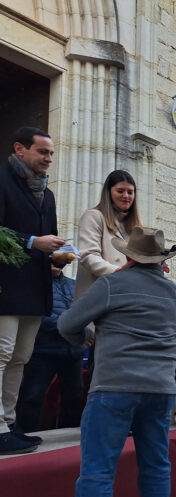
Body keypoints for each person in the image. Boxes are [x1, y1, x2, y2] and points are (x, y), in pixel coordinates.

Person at [56, 226, 176, 497]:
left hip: (114, 386)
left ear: (128, 256)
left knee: (97, 473)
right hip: (161, 389)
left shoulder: (111, 285)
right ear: (160, 261)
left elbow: (67, 323)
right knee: (156, 466)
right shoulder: (173, 293)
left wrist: (83, 337)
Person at [0, 127, 66, 455]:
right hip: (7, 286)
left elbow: (48, 237)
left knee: (20, 358)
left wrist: (59, 255)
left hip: (36, 288)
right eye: (43, 152)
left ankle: (8, 425)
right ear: (20, 149)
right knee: (1, 354)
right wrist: (31, 242)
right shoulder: (2, 181)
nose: (49, 159)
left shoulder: (48, 194)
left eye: (51, 153)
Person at [16, 265, 86, 433]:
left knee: (74, 397)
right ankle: (25, 433)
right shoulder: (33, 283)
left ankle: (67, 435)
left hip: (72, 351)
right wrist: (71, 326)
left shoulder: (74, 284)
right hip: (44, 350)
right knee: (32, 396)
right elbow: (38, 314)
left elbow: (84, 310)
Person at [74, 170, 141, 298]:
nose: (126, 196)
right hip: (99, 296)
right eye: (120, 191)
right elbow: (88, 256)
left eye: (130, 192)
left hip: (125, 296)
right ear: (109, 192)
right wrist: (121, 274)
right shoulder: (93, 216)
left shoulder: (134, 227)